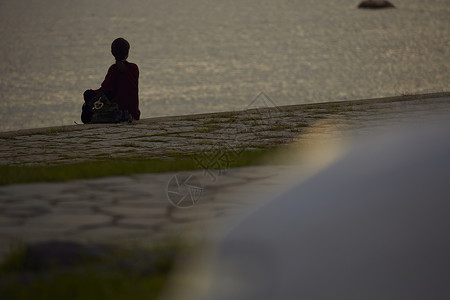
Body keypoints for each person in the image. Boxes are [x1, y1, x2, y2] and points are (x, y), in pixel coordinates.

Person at [82, 37, 140, 123]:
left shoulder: (113, 69)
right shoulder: (134, 68)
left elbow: (105, 91)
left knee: (88, 94)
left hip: (115, 112)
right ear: (127, 53)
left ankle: (89, 120)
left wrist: (91, 94)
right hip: (133, 114)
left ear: (112, 52)